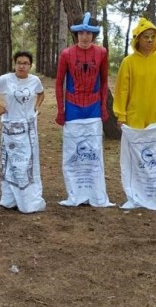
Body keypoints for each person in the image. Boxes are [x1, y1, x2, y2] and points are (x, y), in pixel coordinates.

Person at [114, 18, 156, 210]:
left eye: (152, 37)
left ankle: (155, 194)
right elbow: (122, 90)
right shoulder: (128, 62)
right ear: (137, 40)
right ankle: (134, 195)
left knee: (154, 158)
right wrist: (121, 114)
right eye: (145, 37)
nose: (149, 41)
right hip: (134, 116)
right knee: (135, 158)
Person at [54, 12, 113, 208]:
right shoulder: (66, 54)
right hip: (73, 107)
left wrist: (103, 107)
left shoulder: (102, 52)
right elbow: (59, 82)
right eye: (81, 33)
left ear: (93, 35)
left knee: (94, 152)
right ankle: (75, 192)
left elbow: (104, 81)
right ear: (76, 35)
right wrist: (61, 110)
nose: (85, 37)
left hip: (93, 107)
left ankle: (96, 193)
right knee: (73, 152)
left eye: (88, 33)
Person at [0, 50, 46, 213]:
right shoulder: (6, 79)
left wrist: (37, 106)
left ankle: (27, 197)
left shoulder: (35, 81)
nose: (22, 66)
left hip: (28, 128)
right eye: (19, 62)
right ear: (15, 64)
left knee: (26, 163)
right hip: (10, 126)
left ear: (30, 65)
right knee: (11, 163)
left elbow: (41, 94)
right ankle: (9, 198)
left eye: (25, 63)